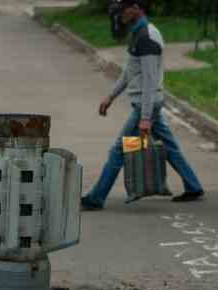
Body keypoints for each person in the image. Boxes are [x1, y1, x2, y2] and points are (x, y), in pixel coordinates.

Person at [81, 0, 204, 211]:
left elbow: (150, 80)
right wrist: (110, 97)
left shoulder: (147, 37)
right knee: (170, 147)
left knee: (118, 150)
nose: (120, 15)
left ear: (136, 7)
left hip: (146, 105)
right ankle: (193, 186)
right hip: (147, 104)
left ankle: (96, 198)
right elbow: (130, 71)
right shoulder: (138, 32)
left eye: (123, 10)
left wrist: (146, 117)